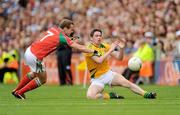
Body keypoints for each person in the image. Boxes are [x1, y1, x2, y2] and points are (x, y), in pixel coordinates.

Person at [12, 19, 97, 99]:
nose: (72, 31)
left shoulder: (53, 29)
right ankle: (20, 92)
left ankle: (16, 90)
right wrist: (93, 51)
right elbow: (79, 47)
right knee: (43, 79)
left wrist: (68, 39)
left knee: (34, 73)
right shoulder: (62, 37)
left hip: (30, 50)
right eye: (71, 29)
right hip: (36, 56)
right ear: (65, 28)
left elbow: (54, 39)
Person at [84, 29, 156, 99]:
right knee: (90, 96)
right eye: (96, 36)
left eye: (100, 35)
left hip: (108, 74)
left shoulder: (104, 46)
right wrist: (110, 50)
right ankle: (110, 96)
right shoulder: (89, 49)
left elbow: (119, 58)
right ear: (91, 38)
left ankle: (146, 94)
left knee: (127, 83)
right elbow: (99, 60)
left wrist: (121, 49)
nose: (99, 37)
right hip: (97, 79)